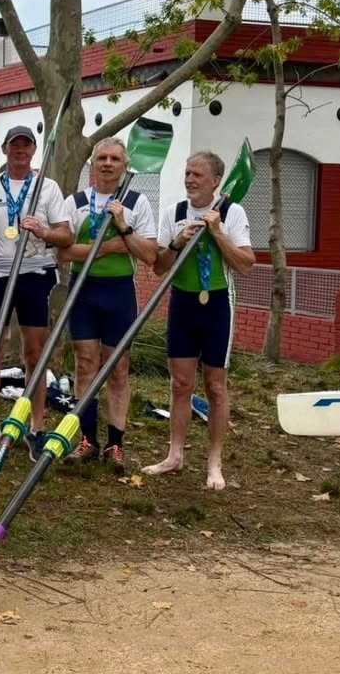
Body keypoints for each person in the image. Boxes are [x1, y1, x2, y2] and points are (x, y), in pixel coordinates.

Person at [142, 151, 254, 490]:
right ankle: (174, 455)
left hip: (217, 305)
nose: (190, 179)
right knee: (181, 384)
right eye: (188, 173)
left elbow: (246, 264)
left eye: (198, 175)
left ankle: (214, 463)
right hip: (183, 304)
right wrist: (177, 243)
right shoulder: (174, 213)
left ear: (216, 181)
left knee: (215, 386)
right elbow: (159, 267)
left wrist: (218, 233)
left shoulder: (231, 212)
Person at [54, 137, 158, 473]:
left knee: (118, 368)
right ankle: (87, 440)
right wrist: (110, 247)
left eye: (115, 159)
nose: (108, 164)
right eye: (102, 158)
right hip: (83, 291)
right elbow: (64, 252)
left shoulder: (136, 202)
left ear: (125, 166)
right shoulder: (76, 202)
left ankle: (115, 444)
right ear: (93, 164)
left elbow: (150, 254)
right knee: (85, 364)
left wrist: (124, 229)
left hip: (119, 292)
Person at [0, 125, 63, 461]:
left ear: (34, 149)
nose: (20, 150)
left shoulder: (48, 187)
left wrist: (44, 231)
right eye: (15, 145)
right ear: (5, 149)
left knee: (34, 353)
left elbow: (65, 235)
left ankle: (35, 427)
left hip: (36, 274)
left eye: (26, 145)